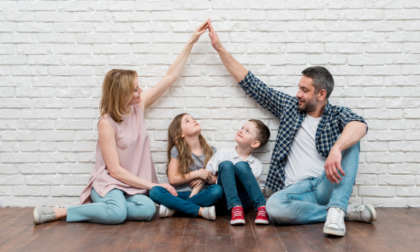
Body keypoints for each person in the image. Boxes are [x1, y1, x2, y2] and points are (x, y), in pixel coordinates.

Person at [206, 19, 376, 236]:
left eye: (304, 90)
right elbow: (252, 84)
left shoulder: (336, 115)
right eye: (298, 88)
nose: (298, 94)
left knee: (352, 141)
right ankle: (339, 211)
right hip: (295, 191)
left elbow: (360, 125)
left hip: (325, 184)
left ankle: (336, 206)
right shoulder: (290, 107)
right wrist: (219, 48)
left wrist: (337, 148)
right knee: (273, 208)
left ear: (321, 94)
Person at [33, 21, 209, 225]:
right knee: (117, 214)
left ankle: (106, 209)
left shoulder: (138, 106)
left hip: (134, 185)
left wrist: (191, 41)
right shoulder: (106, 123)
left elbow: (170, 76)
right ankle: (64, 211)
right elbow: (115, 171)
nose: (141, 91)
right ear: (122, 94)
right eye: (135, 89)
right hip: (111, 184)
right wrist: (153, 186)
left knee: (147, 210)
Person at [149, 113, 223, 220]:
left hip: (202, 195)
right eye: (187, 121)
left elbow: (216, 180)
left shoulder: (211, 151)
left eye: (193, 118)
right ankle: (200, 211)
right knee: (154, 191)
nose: (193, 120)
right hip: (180, 195)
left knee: (217, 190)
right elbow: (173, 179)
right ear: (181, 133)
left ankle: (175, 210)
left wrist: (205, 175)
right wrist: (198, 173)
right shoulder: (177, 150)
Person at [205, 120, 271, 225]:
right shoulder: (223, 154)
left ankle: (261, 208)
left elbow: (260, 189)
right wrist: (223, 179)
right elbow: (207, 173)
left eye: (247, 131)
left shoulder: (256, 164)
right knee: (226, 164)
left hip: (244, 203)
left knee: (241, 165)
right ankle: (235, 207)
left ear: (255, 143)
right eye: (242, 128)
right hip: (224, 202)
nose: (241, 131)